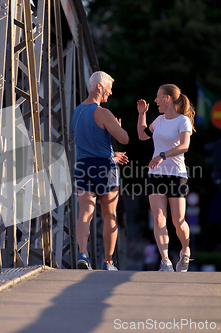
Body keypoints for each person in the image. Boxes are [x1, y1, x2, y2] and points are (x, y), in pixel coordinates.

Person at [72, 71, 129, 271]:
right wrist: (116, 127)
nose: (110, 93)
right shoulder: (103, 112)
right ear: (99, 86)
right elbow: (124, 139)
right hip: (105, 169)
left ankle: (83, 254)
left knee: (85, 213)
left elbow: (89, 146)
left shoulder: (77, 112)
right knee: (109, 215)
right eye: (109, 88)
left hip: (83, 166)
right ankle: (108, 262)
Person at [136, 84, 195, 272]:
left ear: (167, 98)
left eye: (158, 97)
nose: (155, 101)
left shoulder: (183, 121)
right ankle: (165, 261)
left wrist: (162, 155)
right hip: (156, 175)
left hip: (177, 175)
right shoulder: (159, 120)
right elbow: (142, 135)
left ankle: (185, 251)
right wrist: (141, 114)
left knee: (178, 221)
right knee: (159, 218)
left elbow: (184, 146)